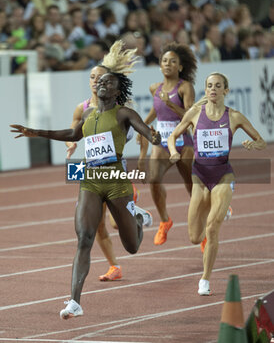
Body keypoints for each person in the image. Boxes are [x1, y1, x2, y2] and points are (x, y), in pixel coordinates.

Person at [11, 71, 161, 319]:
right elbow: (72, 135)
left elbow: (145, 130)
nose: (102, 84)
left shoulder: (124, 113)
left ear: (116, 91)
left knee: (132, 246)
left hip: (116, 181)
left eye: (108, 82)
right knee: (84, 238)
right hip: (91, 179)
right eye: (100, 81)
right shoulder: (89, 115)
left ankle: (138, 218)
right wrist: (36, 132)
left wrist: (153, 136)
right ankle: (75, 302)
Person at [167, 72, 266, 296]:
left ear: (225, 91)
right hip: (199, 177)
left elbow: (260, 141)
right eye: (209, 85)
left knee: (212, 228)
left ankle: (205, 278)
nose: (212, 89)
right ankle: (219, 210)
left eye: (217, 86)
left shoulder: (234, 117)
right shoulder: (194, 113)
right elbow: (173, 136)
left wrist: (253, 145)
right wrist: (173, 151)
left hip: (223, 175)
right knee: (195, 237)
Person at [66, 40, 139, 282]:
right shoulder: (83, 108)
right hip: (88, 165)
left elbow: (129, 133)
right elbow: (72, 131)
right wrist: (71, 145)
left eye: (100, 76)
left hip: (113, 167)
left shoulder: (118, 107)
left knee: (116, 224)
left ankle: (135, 213)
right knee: (94, 226)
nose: (95, 80)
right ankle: (114, 266)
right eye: (91, 77)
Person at [137, 42, 197, 246]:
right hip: (162, 141)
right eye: (164, 61)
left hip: (182, 140)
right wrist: (141, 127)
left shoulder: (185, 87)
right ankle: (165, 220)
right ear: (160, 66)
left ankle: (203, 225)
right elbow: (156, 111)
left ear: (180, 67)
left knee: (191, 185)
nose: (168, 64)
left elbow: (190, 115)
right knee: (154, 179)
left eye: (173, 61)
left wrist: (170, 102)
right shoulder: (155, 88)